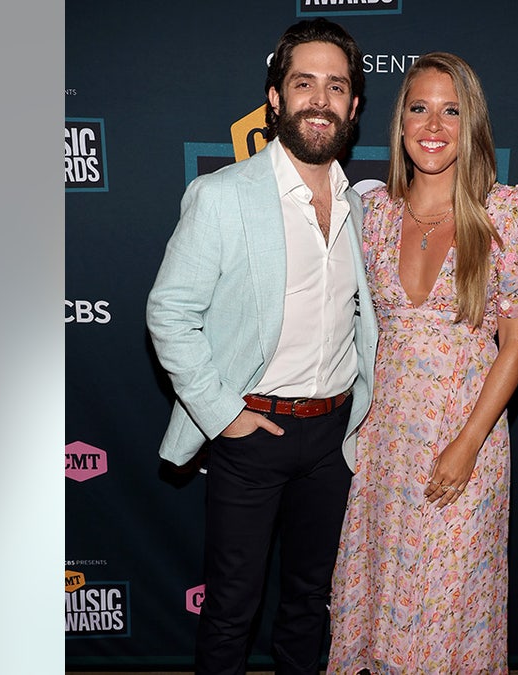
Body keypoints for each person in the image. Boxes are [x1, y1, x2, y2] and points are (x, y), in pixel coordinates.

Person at [145, 18, 377, 675]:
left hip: (335, 437)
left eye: (337, 86)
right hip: (253, 432)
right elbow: (169, 311)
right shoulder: (223, 197)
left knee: (311, 604)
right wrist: (224, 415)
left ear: (355, 106)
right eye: (304, 83)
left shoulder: (367, 208)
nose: (320, 99)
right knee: (232, 608)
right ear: (274, 98)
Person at [328, 52, 518, 673]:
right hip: (384, 442)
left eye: (452, 111)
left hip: (466, 440)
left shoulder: (507, 214)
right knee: (381, 601)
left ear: (471, 125)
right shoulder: (373, 217)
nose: (434, 124)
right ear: (399, 124)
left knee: (449, 609)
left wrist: (467, 444)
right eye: (419, 108)